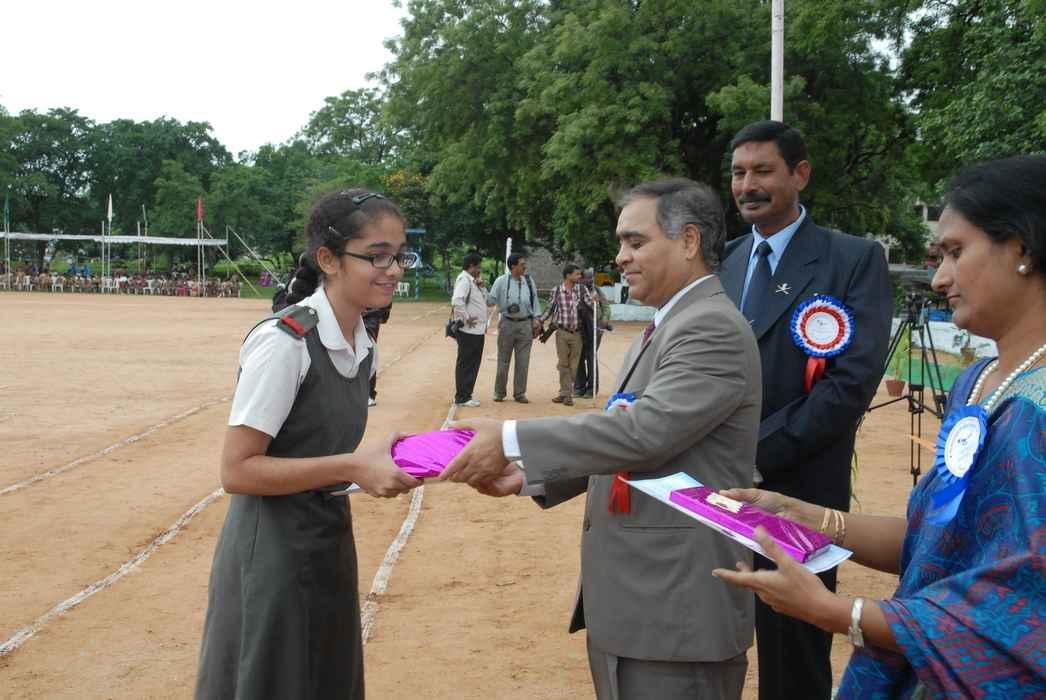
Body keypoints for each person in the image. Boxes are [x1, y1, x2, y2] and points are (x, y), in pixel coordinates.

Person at [713, 154, 1046, 698]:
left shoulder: (1039, 408)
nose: (939, 279)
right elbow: (938, 541)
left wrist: (836, 611)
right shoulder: (978, 381)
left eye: (956, 252)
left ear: (1023, 248)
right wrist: (809, 517)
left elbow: (1020, 615)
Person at [442, 178, 763, 700]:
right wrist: (529, 477)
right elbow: (633, 438)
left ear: (688, 241)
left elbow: (644, 432)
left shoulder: (709, 327)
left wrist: (510, 438)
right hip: (642, 603)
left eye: (636, 242)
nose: (621, 257)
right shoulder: (673, 323)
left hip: (674, 609)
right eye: (621, 243)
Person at [195, 188, 421, 700]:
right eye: (377, 256)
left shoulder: (362, 344)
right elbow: (237, 470)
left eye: (399, 256)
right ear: (328, 260)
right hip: (270, 556)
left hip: (327, 542)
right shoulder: (285, 343)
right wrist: (353, 466)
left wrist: (389, 461)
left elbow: (326, 450)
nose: (393, 270)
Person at [717, 120, 894, 700]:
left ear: (800, 174)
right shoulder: (726, 260)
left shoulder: (853, 258)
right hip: (713, 489)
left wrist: (752, 458)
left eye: (763, 171)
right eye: (738, 173)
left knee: (793, 652)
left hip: (799, 488)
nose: (747, 185)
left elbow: (849, 385)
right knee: (709, 634)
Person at [487, 253, 542, 403]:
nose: (525, 267)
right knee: (503, 360)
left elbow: (535, 301)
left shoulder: (529, 281)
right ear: (513, 266)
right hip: (507, 323)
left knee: (523, 361)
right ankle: (499, 392)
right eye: (522, 264)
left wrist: (536, 319)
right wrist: (482, 289)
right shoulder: (501, 281)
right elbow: (490, 301)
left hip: (525, 324)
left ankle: (520, 393)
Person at [539, 263, 596, 406]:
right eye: (577, 274)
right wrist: (539, 321)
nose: (579, 276)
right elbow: (550, 308)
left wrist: (595, 301)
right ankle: (566, 394)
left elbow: (591, 306)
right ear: (568, 275)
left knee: (574, 365)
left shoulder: (582, 290)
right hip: (562, 332)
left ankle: (565, 393)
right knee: (563, 363)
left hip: (578, 334)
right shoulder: (557, 290)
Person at [450, 252, 489, 407]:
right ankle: (462, 397)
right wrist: (466, 317)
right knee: (467, 363)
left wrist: (482, 287)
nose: (480, 270)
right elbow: (457, 301)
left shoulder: (473, 281)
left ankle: (466, 394)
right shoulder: (464, 280)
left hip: (477, 330)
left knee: (473, 363)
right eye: (478, 267)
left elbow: (487, 301)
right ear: (471, 266)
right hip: (469, 331)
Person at [575, 272, 612, 399]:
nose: (591, 280)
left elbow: (606, 307)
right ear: (581, 279)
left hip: (595, 328)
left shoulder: (597, 290)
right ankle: (579, 388)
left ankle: (592, 389)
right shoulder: (576, 290)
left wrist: (605, 320)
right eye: (588, 278)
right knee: (578, 357)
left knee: (591, 356)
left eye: (592, 278)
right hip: (579, 329)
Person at [363, 304, 392, 406]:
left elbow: (384, 305)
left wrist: (367, 313)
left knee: (368, 354)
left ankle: (369, 394)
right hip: (355, 317)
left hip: (370, 321)